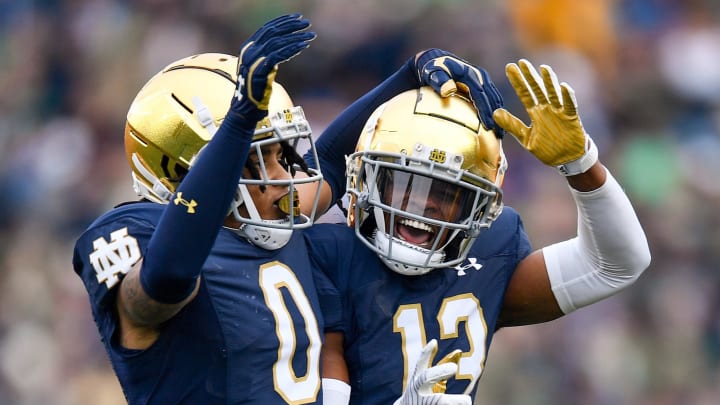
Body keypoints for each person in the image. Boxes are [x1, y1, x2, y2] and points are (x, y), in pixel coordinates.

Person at [303, 53, 652, 404]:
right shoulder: (325, 256)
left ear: (478, 207)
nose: (424, 204)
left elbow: (615, 265)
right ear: (368, 179)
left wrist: (581, 165)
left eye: (447, 192)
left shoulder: (489, 251)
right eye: (405, 182)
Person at [72, 14, 332, 403]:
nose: (283, 176)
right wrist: (239, 122)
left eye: (281, 155)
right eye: (259, 160)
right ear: (181, 169)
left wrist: (409, 75)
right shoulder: (134, 229)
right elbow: (165, 279)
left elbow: (333, 163)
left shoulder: (267, 221)